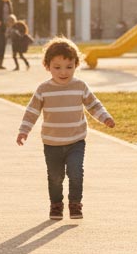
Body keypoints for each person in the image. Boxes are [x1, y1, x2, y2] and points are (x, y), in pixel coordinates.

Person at [16, 37, 115, 220]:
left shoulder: (80, 86)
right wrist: (24, 130)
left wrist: (105, 118)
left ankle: (75, 204)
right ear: (47, 66)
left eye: (69, 67)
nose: (63, 72)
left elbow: (93, 105)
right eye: (57, 67)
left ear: (76, 65)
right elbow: (32, 111)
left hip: (76, 140)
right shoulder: (43, 89)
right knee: (55, 176)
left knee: (76, 172)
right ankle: (56, 205)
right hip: (52, 142)